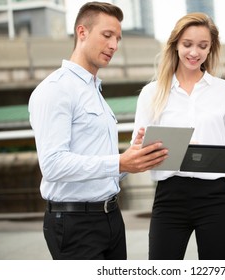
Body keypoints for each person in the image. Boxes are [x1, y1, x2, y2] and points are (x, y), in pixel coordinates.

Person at [28, 2, 168, 260]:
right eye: (107, 35)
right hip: (74, 224)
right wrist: (119, 161)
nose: (114, 45)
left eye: (118, 38)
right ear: (82, 32)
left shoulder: (95, 92)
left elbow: (101, 163)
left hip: (111, 218)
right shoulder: (56, 90)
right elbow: (53, 165)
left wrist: (131, 160)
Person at [131, 13, 225, 260]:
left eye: (202, 46)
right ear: (175, 44)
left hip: (215, 199)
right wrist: (143, 148)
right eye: (187, 44)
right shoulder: (151, 93)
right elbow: (137, 156)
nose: (194, 52)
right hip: (169, 197)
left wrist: (210, 160)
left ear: (210, 49)